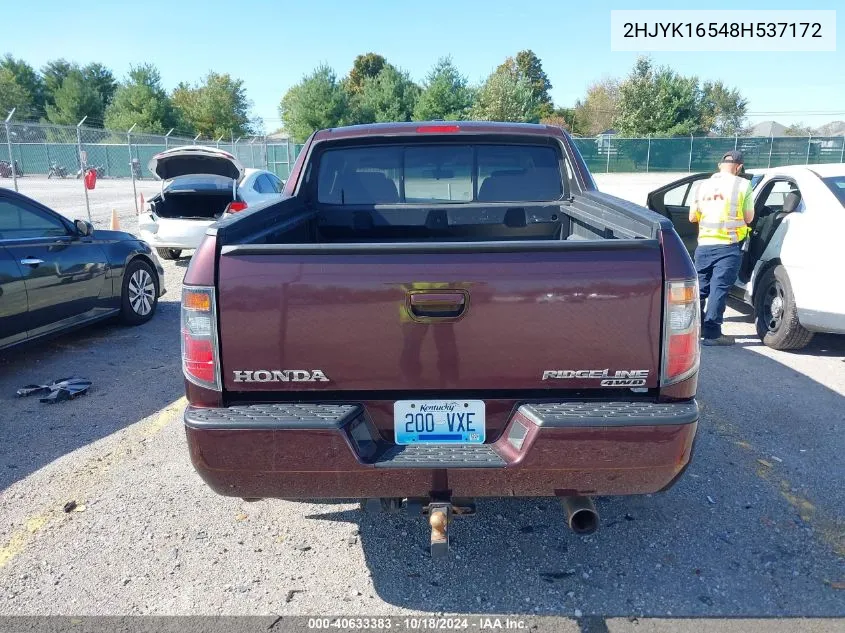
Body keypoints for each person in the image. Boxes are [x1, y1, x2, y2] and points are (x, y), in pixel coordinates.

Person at [689, 150, 755, 346]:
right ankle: (712, 334)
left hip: (704, 245)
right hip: (728, 245)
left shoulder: (702, 186)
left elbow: (692, 217)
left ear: (719, 165)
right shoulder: (742, 184)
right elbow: (749, 217)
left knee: (699, 289)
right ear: (739, 167)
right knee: (719, 290)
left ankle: (692, 331)